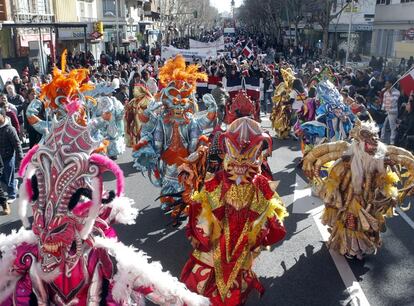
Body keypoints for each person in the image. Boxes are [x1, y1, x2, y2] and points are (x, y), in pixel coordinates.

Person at [181, 117, 287, 305]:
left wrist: (259, 232)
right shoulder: (216, 181)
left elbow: (274, 220)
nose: (240, 166)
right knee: (205, 281)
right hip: (215, 247)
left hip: (242, 248)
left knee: (235, 285)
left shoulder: (262, 186)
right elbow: (201, 208)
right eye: (235, 158)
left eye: (247, 161)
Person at [0, 106, 23, 206]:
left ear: (3, 115)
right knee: (2, 177)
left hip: (9, 156)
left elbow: (17, 144)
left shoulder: (9, 128)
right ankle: (14, 182)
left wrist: (21, 158)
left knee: (8, 175)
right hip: (0, 158)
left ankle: (12, 195)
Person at [381, 80, 400, 145]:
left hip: (393, 112)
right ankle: (382, 138)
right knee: (384, 125)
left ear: (391, 84)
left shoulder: (397, 92)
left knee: (392, 127)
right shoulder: (385, 92)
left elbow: (394, 102)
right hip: (387, 112)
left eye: (387, 83)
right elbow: (384, 101)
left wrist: (390, 94)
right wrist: (383, 109)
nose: (385, 85)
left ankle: (392, 141)